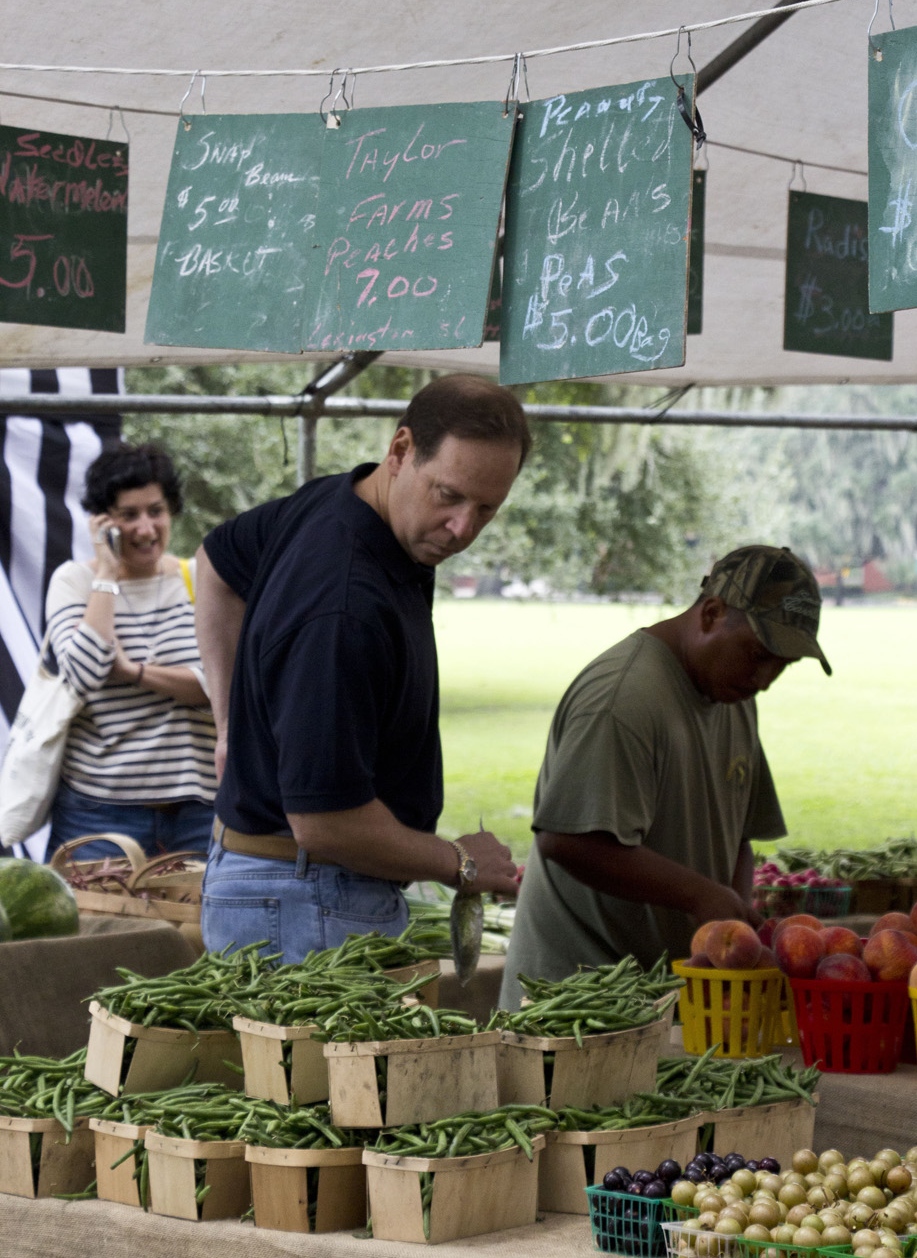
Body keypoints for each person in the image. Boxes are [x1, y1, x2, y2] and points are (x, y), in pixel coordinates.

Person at [195, 374, 531, 962]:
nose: (464, 529)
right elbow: (327, 824)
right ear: (400, 451)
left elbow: (214, 563)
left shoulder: (339, 501)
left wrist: (228, 726)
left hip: (292, 887)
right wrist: (463, 862)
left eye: (487, 508)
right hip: (305, 898)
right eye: (448, 495)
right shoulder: (343, 609)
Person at [499, 544, 832, 1007]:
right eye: (758, 654)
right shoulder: (624, 699)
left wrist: (728, 922)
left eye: (784, 664)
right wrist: (700, 897)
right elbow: (567, 840)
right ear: (712, 613)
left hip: (663, 1002)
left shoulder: (733, 697)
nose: (765, 679)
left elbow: (738, 835)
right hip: (573, 1006)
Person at [44, 443, 217, 861]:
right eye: (128, 515)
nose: (145, 528)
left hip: (198, 813)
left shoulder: (199, 579)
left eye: (155, 511)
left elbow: (219, 684)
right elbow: (83, 674)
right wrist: (106, 572)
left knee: (192, 929)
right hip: (97, 813)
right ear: (103, 521)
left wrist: (131, 671)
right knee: (97, 928)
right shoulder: (75, 581)